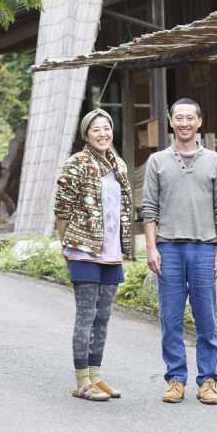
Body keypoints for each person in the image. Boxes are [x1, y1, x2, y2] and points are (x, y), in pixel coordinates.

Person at [141, 98, 217, 406]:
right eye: (178, 118)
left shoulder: (214, 161)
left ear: (199, 122)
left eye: (189, 117)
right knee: (170, 319)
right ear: (171, 122)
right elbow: (149, 209)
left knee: (206, 318)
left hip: (205, 249)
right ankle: (176, 379)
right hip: (168, 249)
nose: (183, 123)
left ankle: (208, 380)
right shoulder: (157, 161)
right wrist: (151, 248)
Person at [54, 108, 134, 402]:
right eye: (96, 129)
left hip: (111, 252)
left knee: (103, 317)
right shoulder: (76, 164)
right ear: (86, 135)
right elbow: (62, 210)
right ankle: (81, 381)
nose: (103, 134)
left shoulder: (119, 166)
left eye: (107, 128)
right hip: (83, 251)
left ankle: (96, 376)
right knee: (86, 316)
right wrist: (66, 246)